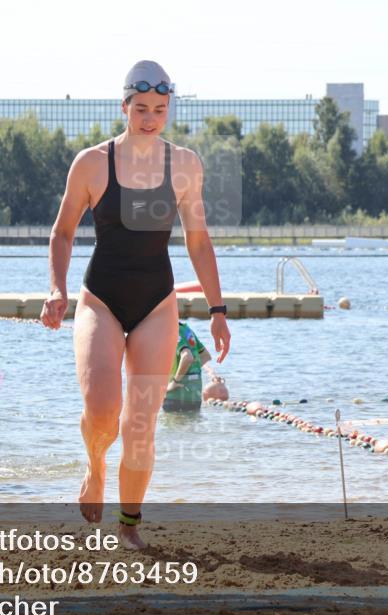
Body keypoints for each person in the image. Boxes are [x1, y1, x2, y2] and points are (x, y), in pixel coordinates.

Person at [40, 60, 231, 548]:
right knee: (104, 414)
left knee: (141, 423)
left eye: (159, 109)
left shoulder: (185, 165)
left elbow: (199, 241)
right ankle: (95, 466)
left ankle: (129, 525)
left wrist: (217, 310)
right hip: (100, 300)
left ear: (169, 109)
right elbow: (62, 233)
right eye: (141, 108)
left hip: (156, 304)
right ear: (124, 106)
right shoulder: (91, 163)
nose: (149, 117)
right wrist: (57, 289)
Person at [163, 321, 212, 413]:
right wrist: (189, 374)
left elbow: (187, 357)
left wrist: (175, 381)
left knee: (170, 425)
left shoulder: (171, 329)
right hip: (194, 396)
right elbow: (205, 356)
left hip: (175, 396)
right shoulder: (187, 330)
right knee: (190, 426)